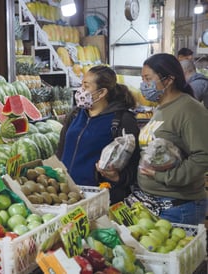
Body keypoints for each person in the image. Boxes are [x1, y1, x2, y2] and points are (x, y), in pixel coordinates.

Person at [133, 53, 208, 225]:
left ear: (168, 80)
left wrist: (166, 177)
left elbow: (203, 156)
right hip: (153, 203)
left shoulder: (190, 110)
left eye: (148, 78)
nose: (144, 85)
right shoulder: (161, 108)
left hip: (178, 207)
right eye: (142, 79)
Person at [56, 65, 140, 205]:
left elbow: (134, 163)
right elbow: (61, 149)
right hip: (66, 194)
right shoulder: (75, 114)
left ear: (101, 93)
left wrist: (118, 177)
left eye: (86, 86)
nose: (80, 90)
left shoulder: (122, 120)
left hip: (99, 198)